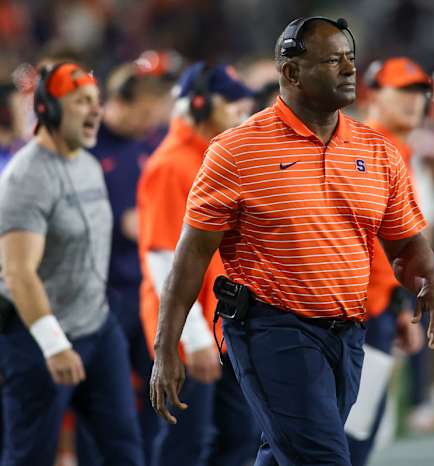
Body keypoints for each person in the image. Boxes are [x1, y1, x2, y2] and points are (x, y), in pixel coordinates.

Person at [149, 17, 434, 466]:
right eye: (332, 61)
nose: (349, 70)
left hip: (348, 331)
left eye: (350, 59)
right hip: (271, 328)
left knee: (284, 452)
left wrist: (430, 283)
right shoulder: (237, 150)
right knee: (324, 456)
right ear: (291, 73)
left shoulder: (377, 150)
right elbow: (190, 256)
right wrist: (166, 347)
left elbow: (404, 239)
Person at [0, 62, 144, 466]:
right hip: (39, 340)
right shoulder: (25, 178)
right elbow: (17, 271)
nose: (95, 111)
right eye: (82, 101)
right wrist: (53, 344)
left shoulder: (88, 162)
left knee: (125, 451)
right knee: (29, 456)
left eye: (97, 101)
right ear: (47, 107)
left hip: (98, 328)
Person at [138, 62, 259, 466]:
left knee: (241, 435)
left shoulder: (214, 157)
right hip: (187, 332)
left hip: (219, 323)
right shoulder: (171, 164)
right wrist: (192, 339)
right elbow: (160, 257)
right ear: (202, 104)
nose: (240, 112)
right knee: (184, 446)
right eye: (231, 103)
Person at [80, 58, 173, 466]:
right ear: (120, 102)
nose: (152, 122)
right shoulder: (88, 144)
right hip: (103, 295)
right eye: (146, 112)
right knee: (102, 402)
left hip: (147, 289)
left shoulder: (151, 142)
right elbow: (133, 223)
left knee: (160, 392)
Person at [345, 56, 431, 466]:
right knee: (347, 435)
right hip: (352, 313)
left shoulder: (395, 150)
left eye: (420, 93)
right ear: (372, 95)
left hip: (376, 306)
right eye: (404, 92)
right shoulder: (366, 148)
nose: (415, 102)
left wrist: (400, 305)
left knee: (359, 430)